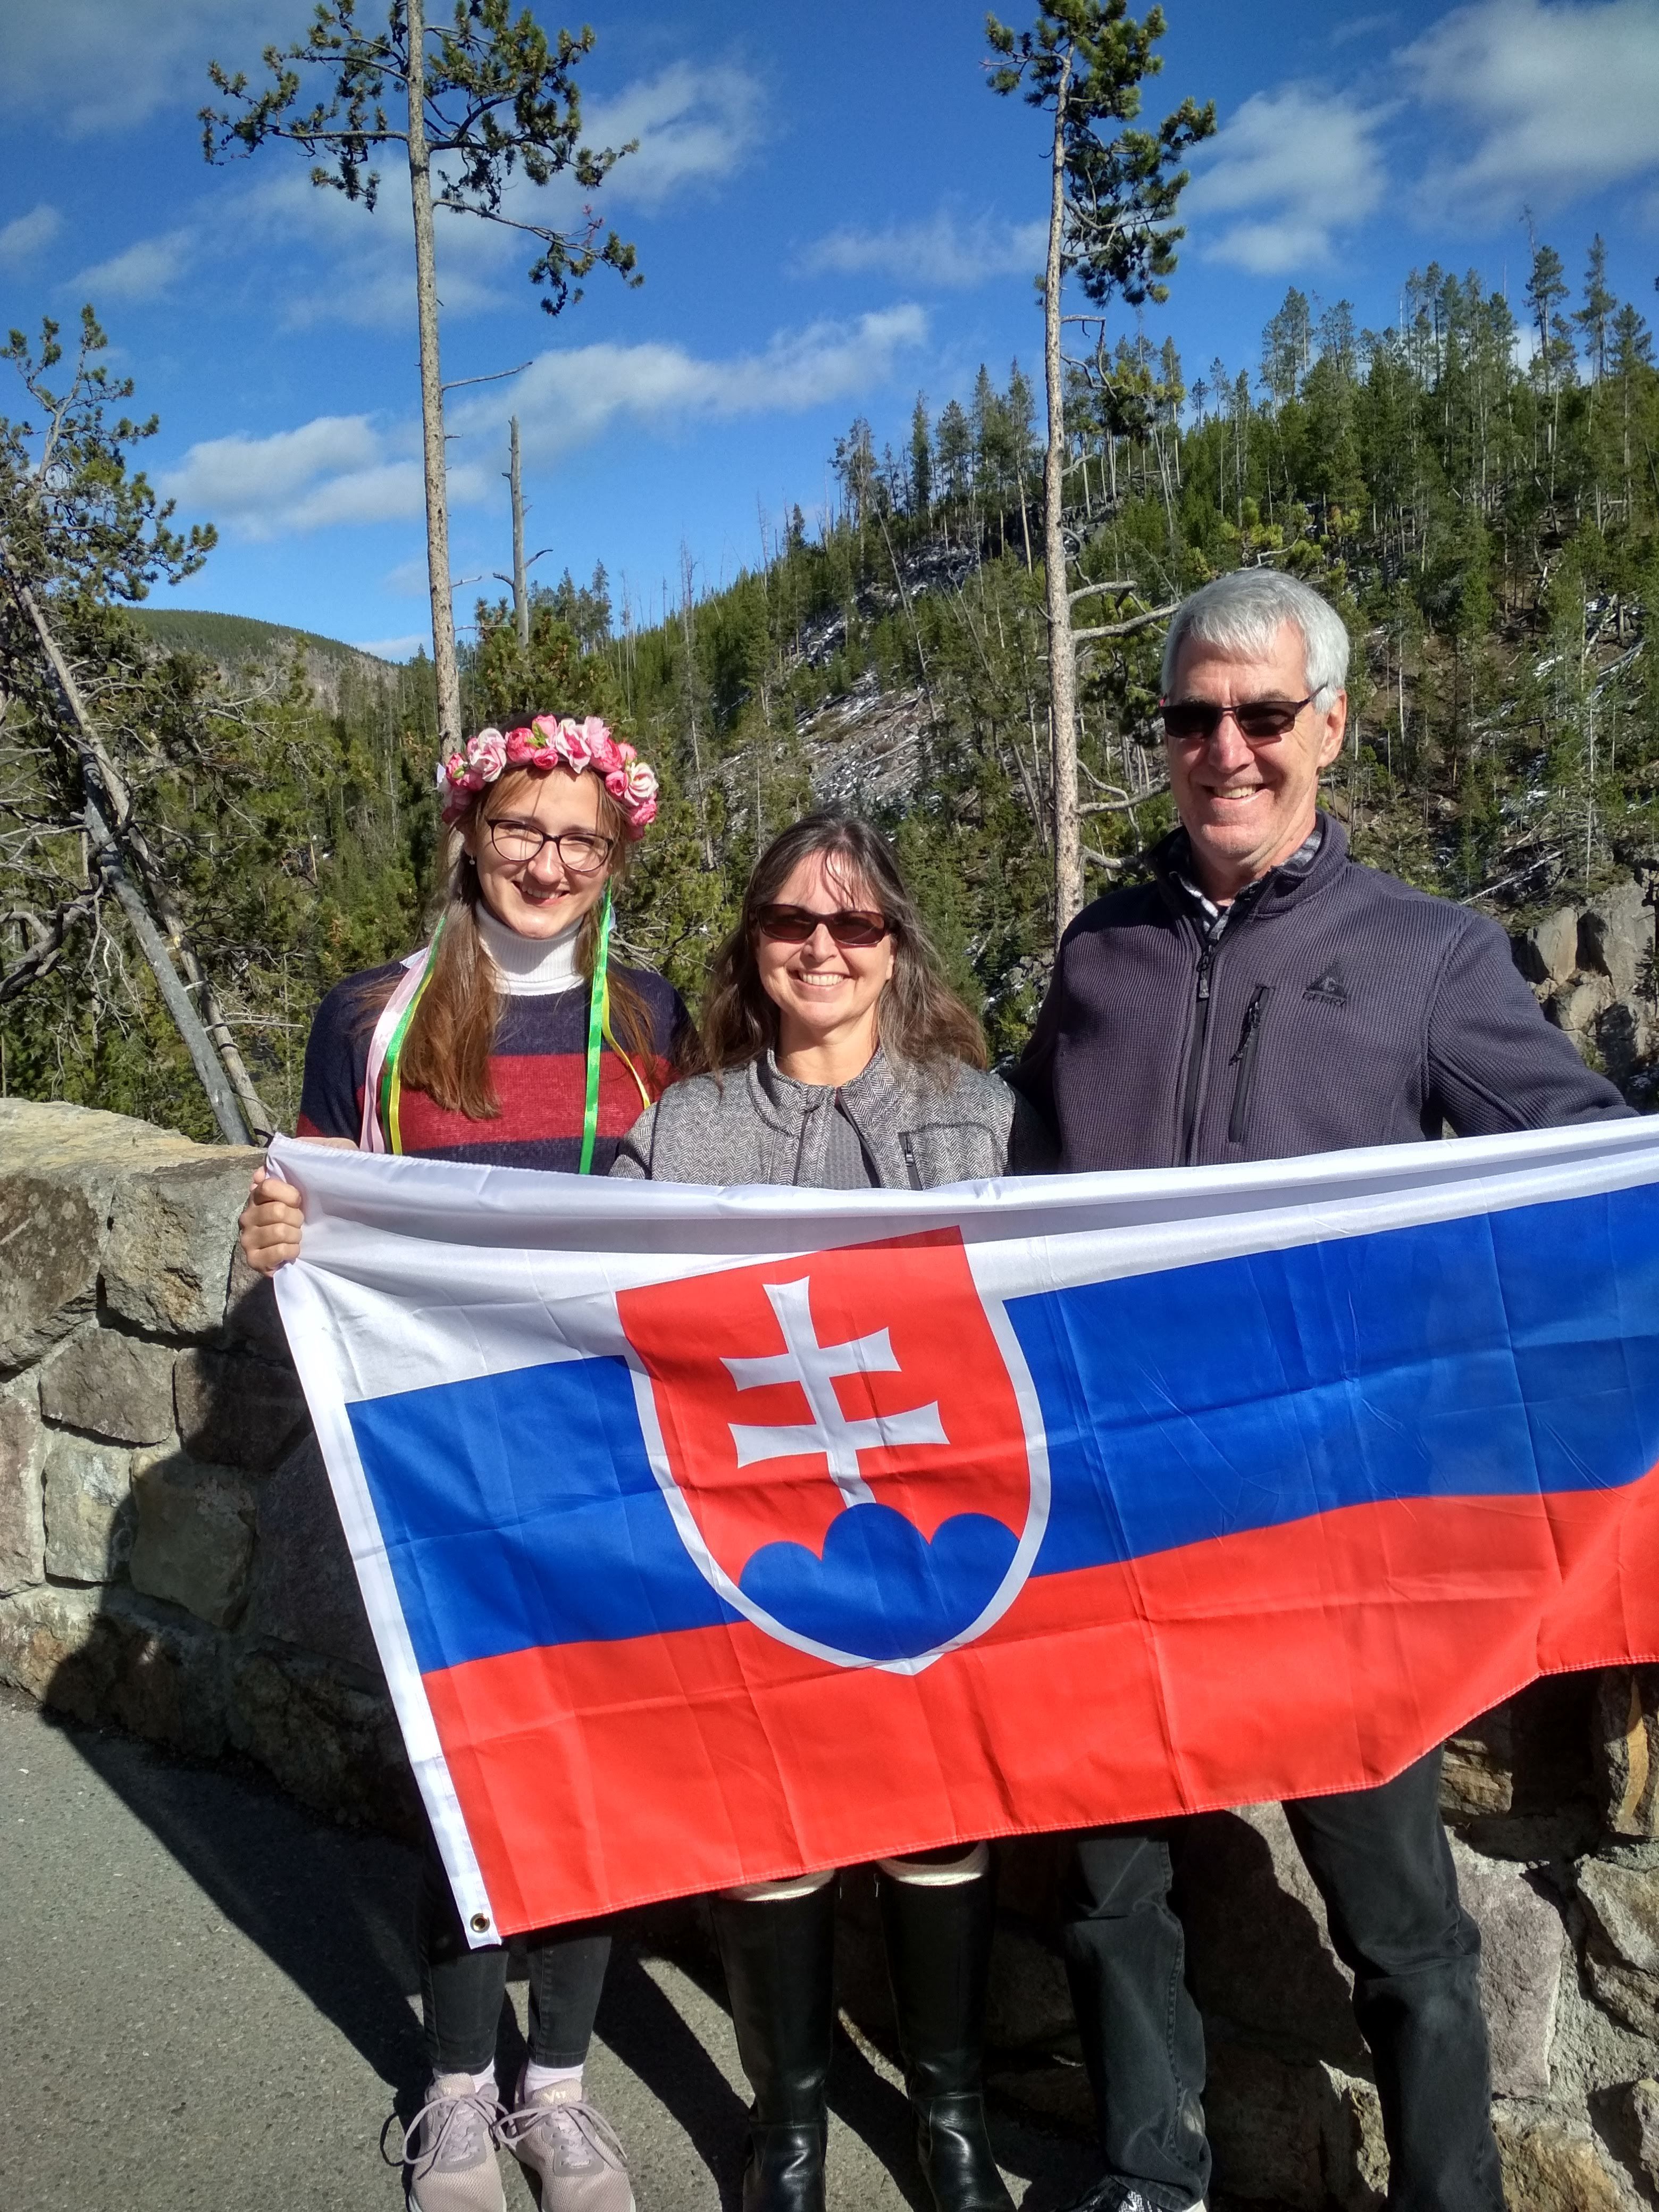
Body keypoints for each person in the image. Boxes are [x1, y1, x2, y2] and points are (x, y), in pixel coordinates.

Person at [1011, 567, 1631, 2212]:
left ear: (1329, 728)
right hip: (1122, 1505)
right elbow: (1014, 1203)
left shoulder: (1427, 957)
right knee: (1111, 1887)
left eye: (1264, 715)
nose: (1228, 747)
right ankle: (1149, 2176)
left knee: (1404, 1928)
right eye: (1194, 716)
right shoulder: (1099, 957)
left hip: (1331, 1522)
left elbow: (1582, 1166)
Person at [239, 711, 686, 2212]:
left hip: (604, 1443)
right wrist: (277, 1235)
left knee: (599, 1765)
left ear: (615, 854)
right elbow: (313, 1191)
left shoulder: (656, 1018)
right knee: (468, 1765)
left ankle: (555, 2086)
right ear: (468, 834)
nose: (547, 861)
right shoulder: (374, 1015)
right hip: (438, 1445)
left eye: (579, 838)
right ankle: (453, 2089)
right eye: (520, 830)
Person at [614, 812, 1038, 2212]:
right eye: (793, 922)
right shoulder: (687, 1125)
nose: (821, 948)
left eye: (854, 925)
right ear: (754, 941)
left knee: (938, 1826)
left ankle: (952, 2119)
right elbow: (565, 1292)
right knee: (768, 1832)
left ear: (896, 944)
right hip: (751, 1552)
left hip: (932, 1549)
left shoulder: (980, 1114)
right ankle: (786, 2123)